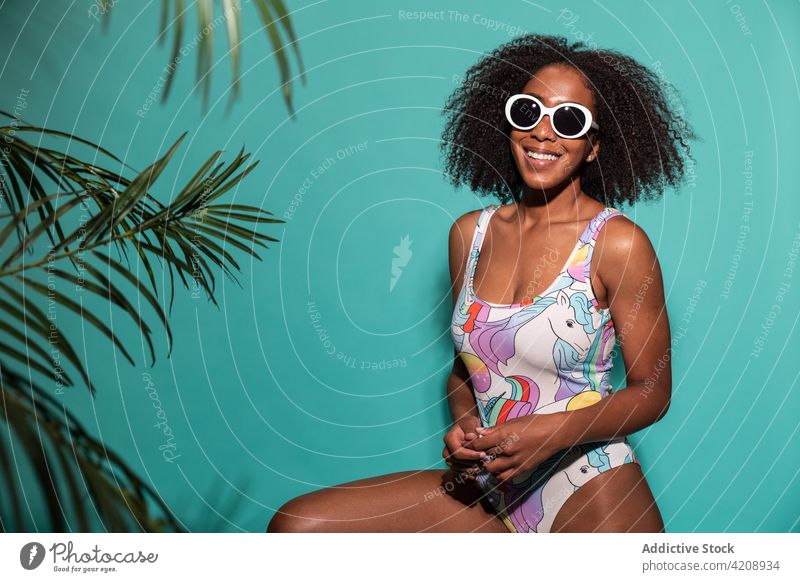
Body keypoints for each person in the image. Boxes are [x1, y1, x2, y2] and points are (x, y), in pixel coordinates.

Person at [267, 33, 695, 533]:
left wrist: (549, 435)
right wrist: (465, 423)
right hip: (492, 484)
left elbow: (652, 392)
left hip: (589, 487)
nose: (543, 133)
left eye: (569, 120)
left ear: (594, 146)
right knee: (299, 527)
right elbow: (467, 368)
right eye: (528, 111)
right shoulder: (470, 236)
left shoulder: (618, 244)